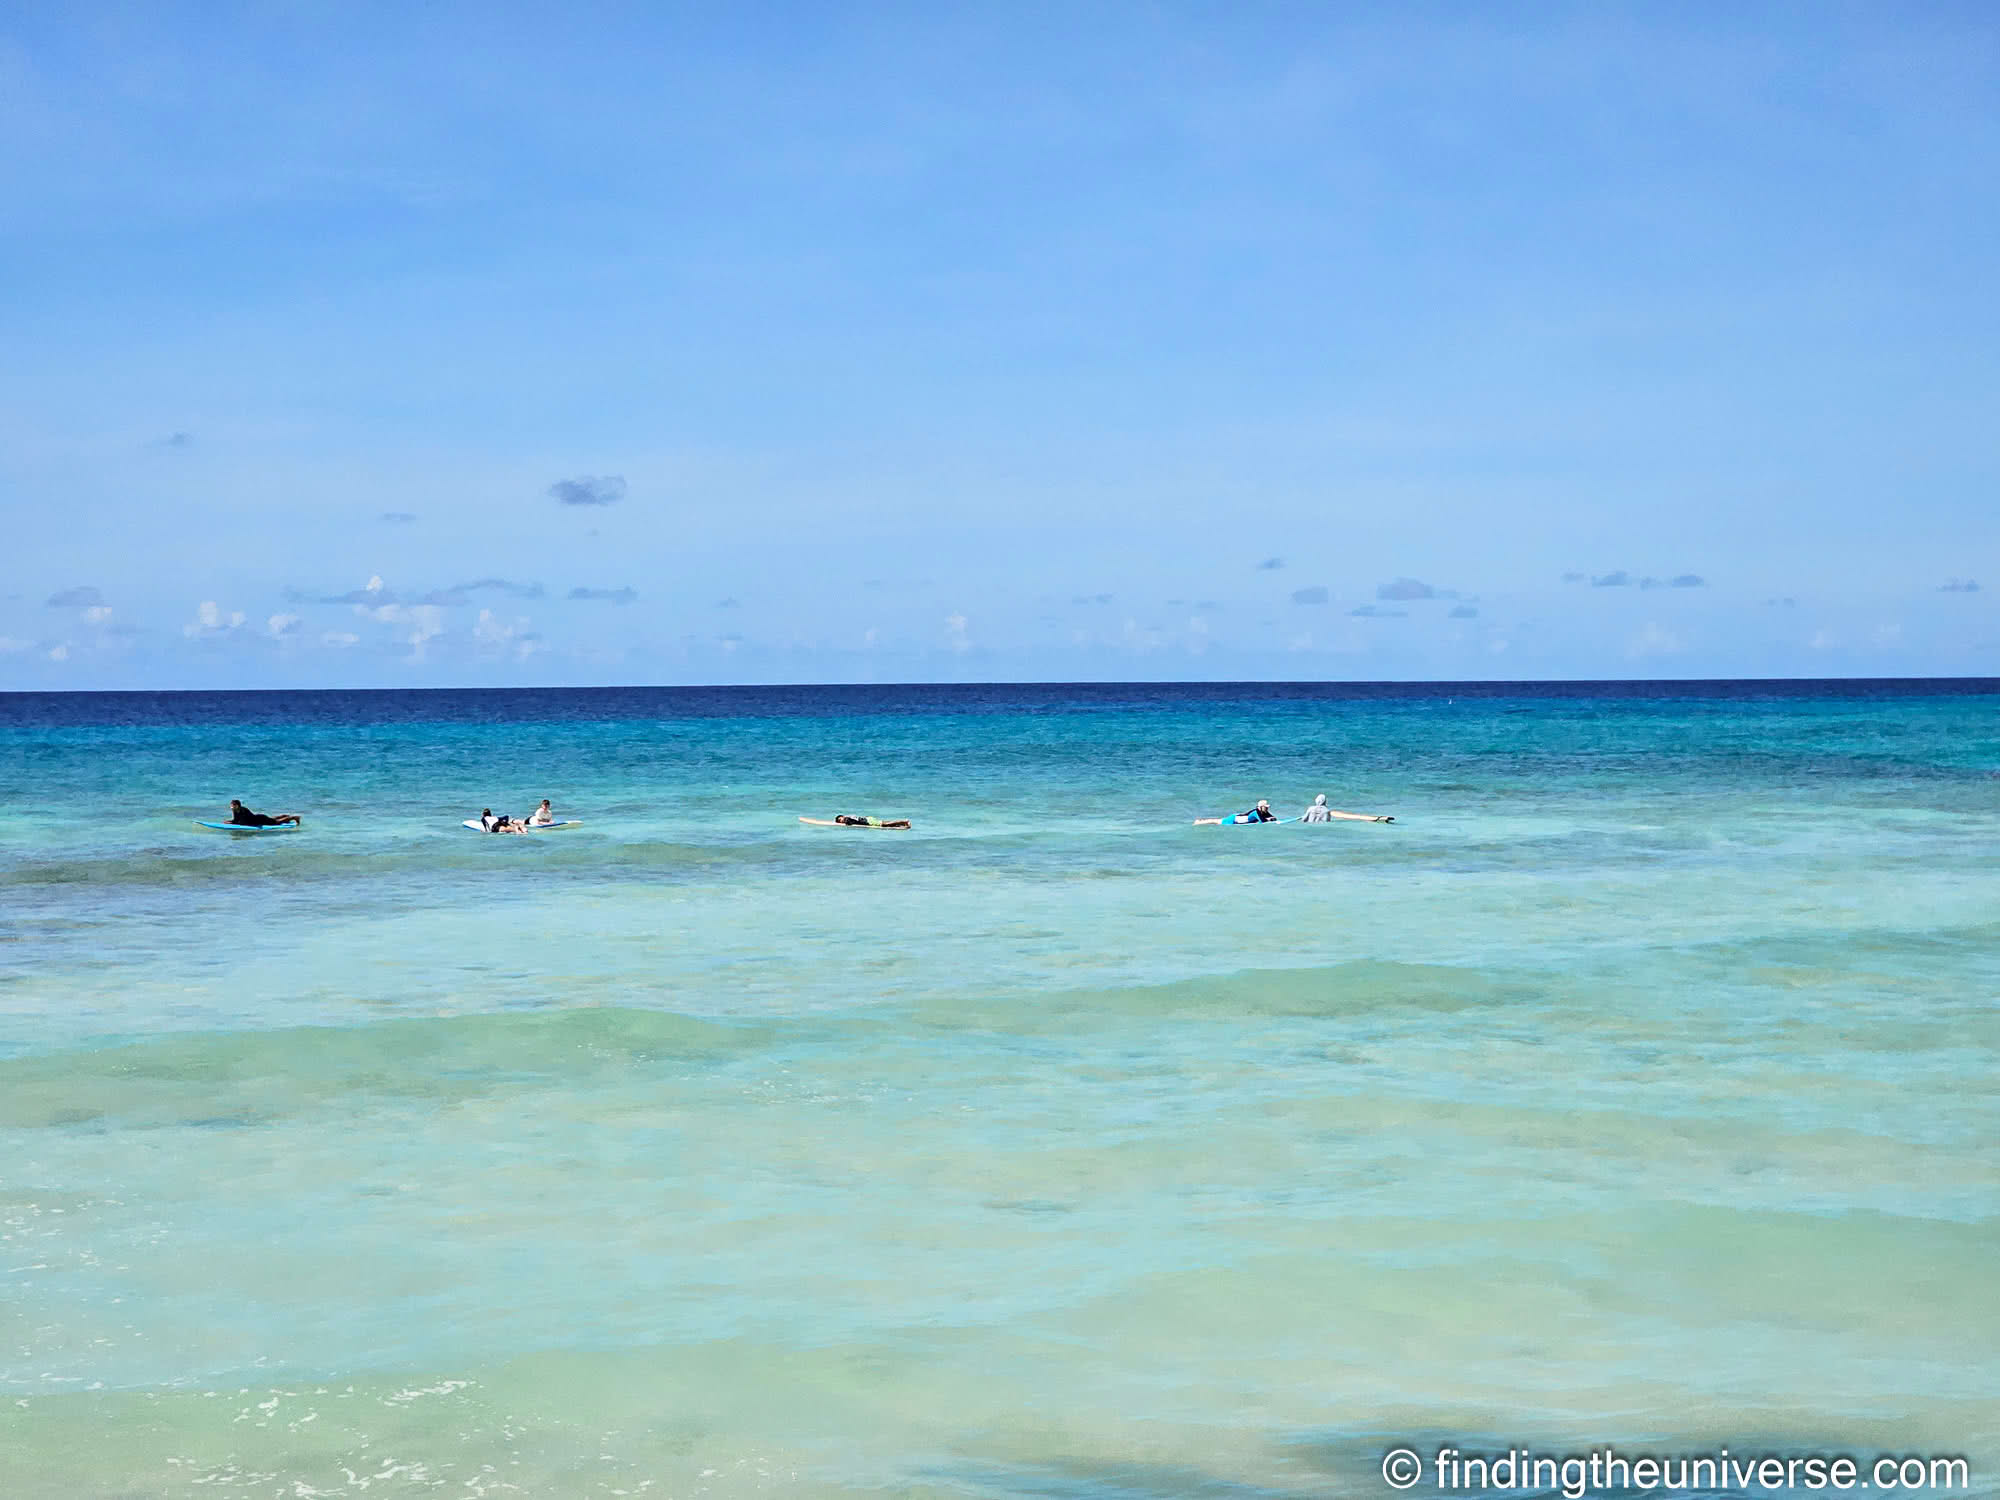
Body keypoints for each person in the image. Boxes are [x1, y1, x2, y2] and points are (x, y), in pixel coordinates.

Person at [1300, 793, 1394, 823]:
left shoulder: (1310, 809)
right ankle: (1376, 819)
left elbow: (1304, 820)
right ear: (1325, 801)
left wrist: (1303, 818)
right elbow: (1327, 821)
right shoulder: (1327, 810)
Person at [1194, 799, 1277, 826]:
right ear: (1262, 807)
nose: (1267, 808)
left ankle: (1200, 821)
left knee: (1218, 821)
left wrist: (1271, 819)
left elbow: (1272, 818)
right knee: (1217, 822)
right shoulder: (1256, 812)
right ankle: (1199, 822)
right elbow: (1263, 821)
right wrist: (1270, 820)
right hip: (1234, 819)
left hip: (1238, 817)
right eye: (1266, 807)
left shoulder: (1263, 811)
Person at [228, 798, 301, 828]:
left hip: (260, 819)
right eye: (231, 805)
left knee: (276, 822)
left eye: (232, 805)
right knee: (272, 819)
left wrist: (233, 823)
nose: (231, 807)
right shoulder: (235, 811)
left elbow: (245, 821)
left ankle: (294, 817)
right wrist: (229, 822)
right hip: (258, 819)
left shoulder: (243, 810)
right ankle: (284, 816)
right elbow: (236, 820)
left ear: (237, 805)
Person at [834, 814, 912, 829]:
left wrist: (846, 823)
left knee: (885, 824)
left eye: (841, 819)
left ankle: (904, 821)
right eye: (840, 821)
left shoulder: (847, 818)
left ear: (843, 816)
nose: (842, 821)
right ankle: (902, 825)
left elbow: (849, 823)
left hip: (868, 821)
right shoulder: (849, 815)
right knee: (886, 824)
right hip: (868, 818)